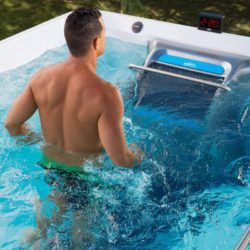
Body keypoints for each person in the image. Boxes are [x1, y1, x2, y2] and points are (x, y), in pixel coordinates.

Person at [5, 7, 141, 168]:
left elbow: (11, 125)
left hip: (49, 167)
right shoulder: (107, 95)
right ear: (96, 42)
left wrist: (39, 143)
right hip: (84, 179)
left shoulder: (41, 78)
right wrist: (138, 155)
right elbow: (121, 160)